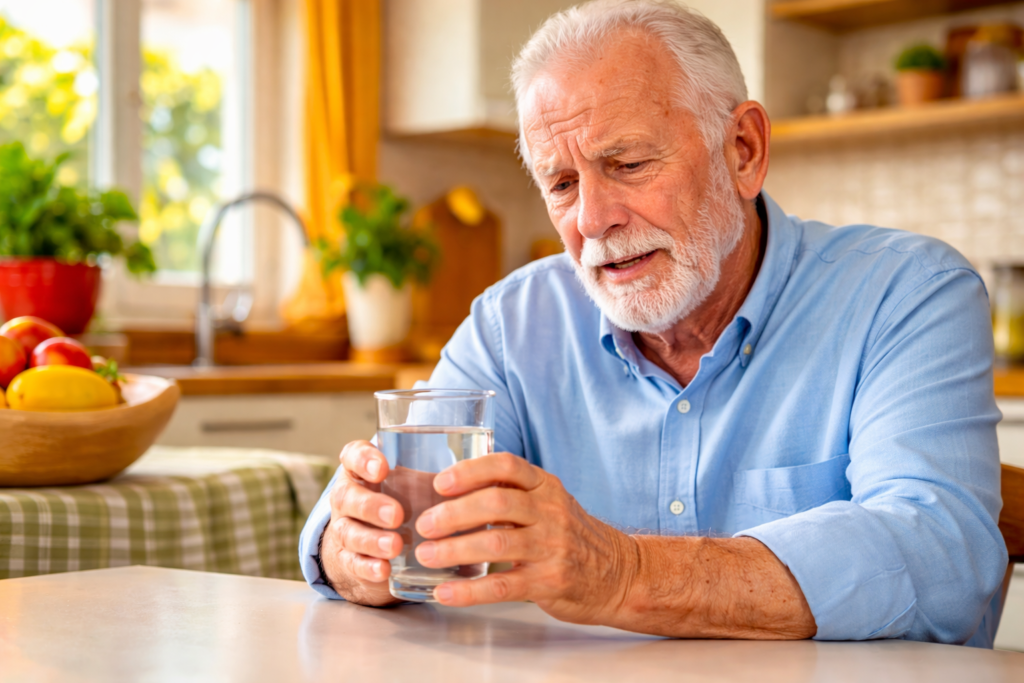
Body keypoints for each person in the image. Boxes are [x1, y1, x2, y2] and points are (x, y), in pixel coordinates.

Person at [299, 0, 1008, 646]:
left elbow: (941, 554)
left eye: (629, 163)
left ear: (744, 151)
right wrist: (357, 543)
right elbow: (379, 505)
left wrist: (621, 570)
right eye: (562, 183)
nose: (590, 219)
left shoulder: (907, 293)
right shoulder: (514, 324)